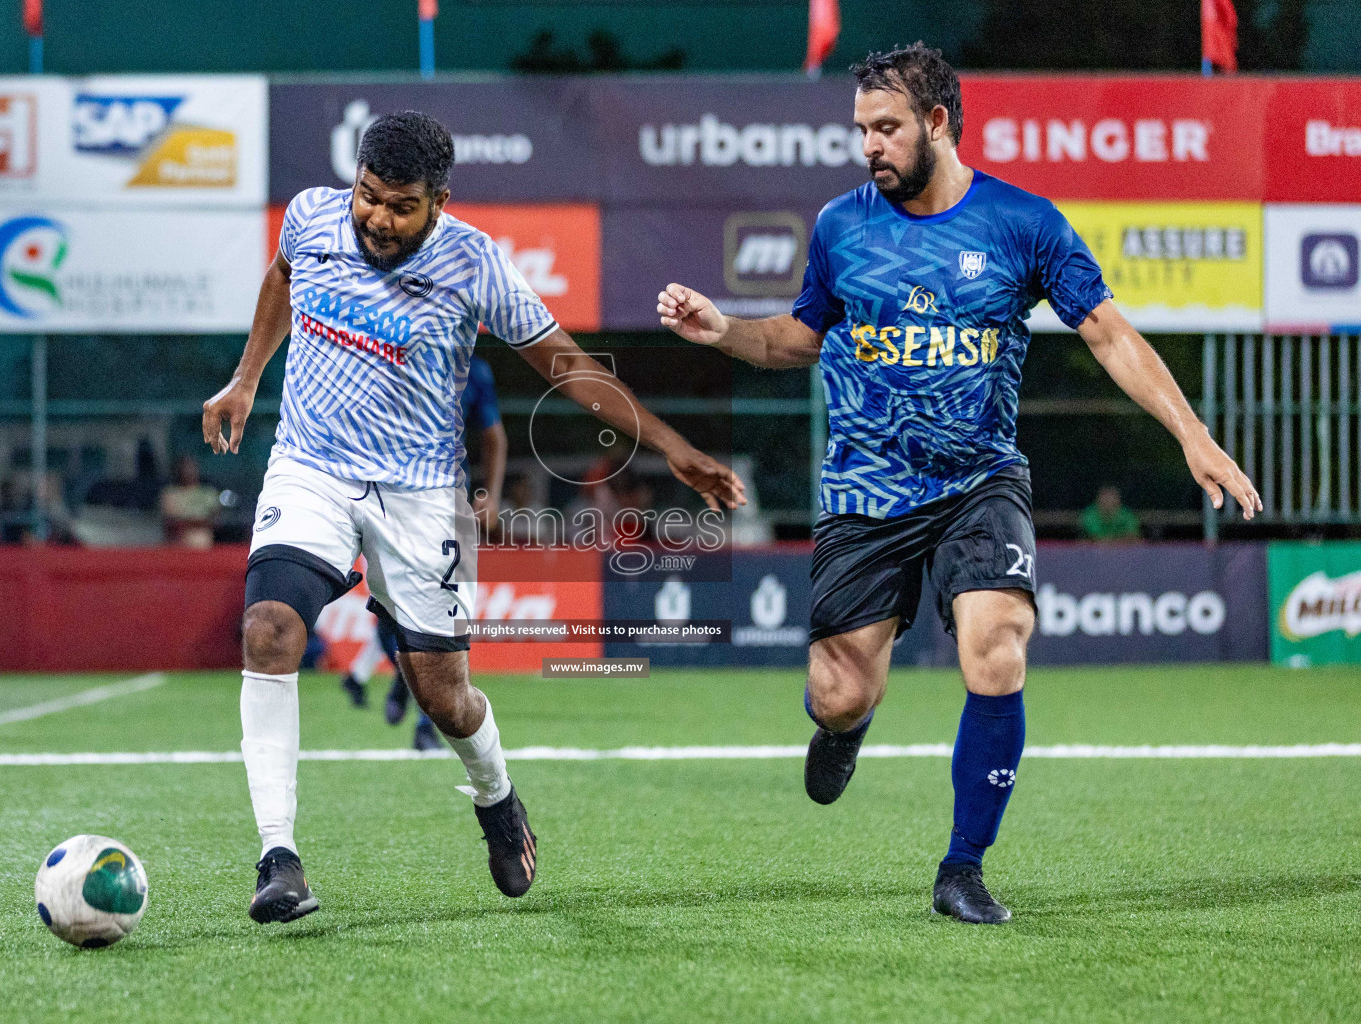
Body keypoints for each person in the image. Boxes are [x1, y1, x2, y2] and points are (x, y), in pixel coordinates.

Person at [657, 44, 1258, 925]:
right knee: (842, 690)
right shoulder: (840, 226)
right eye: (861, 129)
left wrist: (1194, 437)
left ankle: (962, 868)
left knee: (997, 644)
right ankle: (842, 728)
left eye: (886, 128)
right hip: (866, 491)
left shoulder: (1023, 222)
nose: (869, 145)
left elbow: (1110, 334)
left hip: (981, 480)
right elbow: (800, 337)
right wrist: (722, 331)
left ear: (937, 123)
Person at [203, 111, 743, 923]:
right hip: (312, 468)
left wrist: (668, 444)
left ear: (440, 202)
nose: (378, 218)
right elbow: (283, 276)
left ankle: (497, 797)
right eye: (369, 197)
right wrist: (247, 378)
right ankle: (278, 858)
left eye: (401, 205)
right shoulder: (313, 215)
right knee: (269, 629)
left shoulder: (477, 262)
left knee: (445, 697)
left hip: (421, 496)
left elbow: (570, 368)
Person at [343, 352, 507, 752]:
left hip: (447, 507)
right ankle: (402, 681)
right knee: (388, 611)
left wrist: (492, 494)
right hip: (385, 506)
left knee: (449, 618)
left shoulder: (474, 368)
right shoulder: (384, 352)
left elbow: (493, 436)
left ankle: (423, 724)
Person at [160, 454, 220, 548]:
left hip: (205, 546)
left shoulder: (208, 493)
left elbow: (214, 520)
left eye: (191, 468)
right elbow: (171, 522)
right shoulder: (170, 494)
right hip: (179, 547)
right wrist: (199, 522)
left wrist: (189, 522)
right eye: (185, 468)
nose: (189, 471)